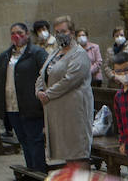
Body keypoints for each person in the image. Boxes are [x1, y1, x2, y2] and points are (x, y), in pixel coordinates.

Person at [0, 22, 49, 173]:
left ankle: (39, 171)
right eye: (13, 33)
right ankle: (30, 170)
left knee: (35, 139)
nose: (16, 36)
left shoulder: (36, 53)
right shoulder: (5, 55)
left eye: (20, 33)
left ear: (27, 35)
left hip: (30, 104)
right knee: (23, 139)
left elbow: (47, 74)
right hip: (11, 105)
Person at [36, 15, 94, 169]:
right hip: (59, 113)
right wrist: (39, 90)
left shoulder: (79, 54)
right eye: (57, 32)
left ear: (72, 32)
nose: (60, 34)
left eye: (64, 31)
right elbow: (43, 74)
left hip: (75, 112)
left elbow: (70, 80)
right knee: (69, 155)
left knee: (78, 153)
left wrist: (48, 94)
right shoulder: (55, 52)